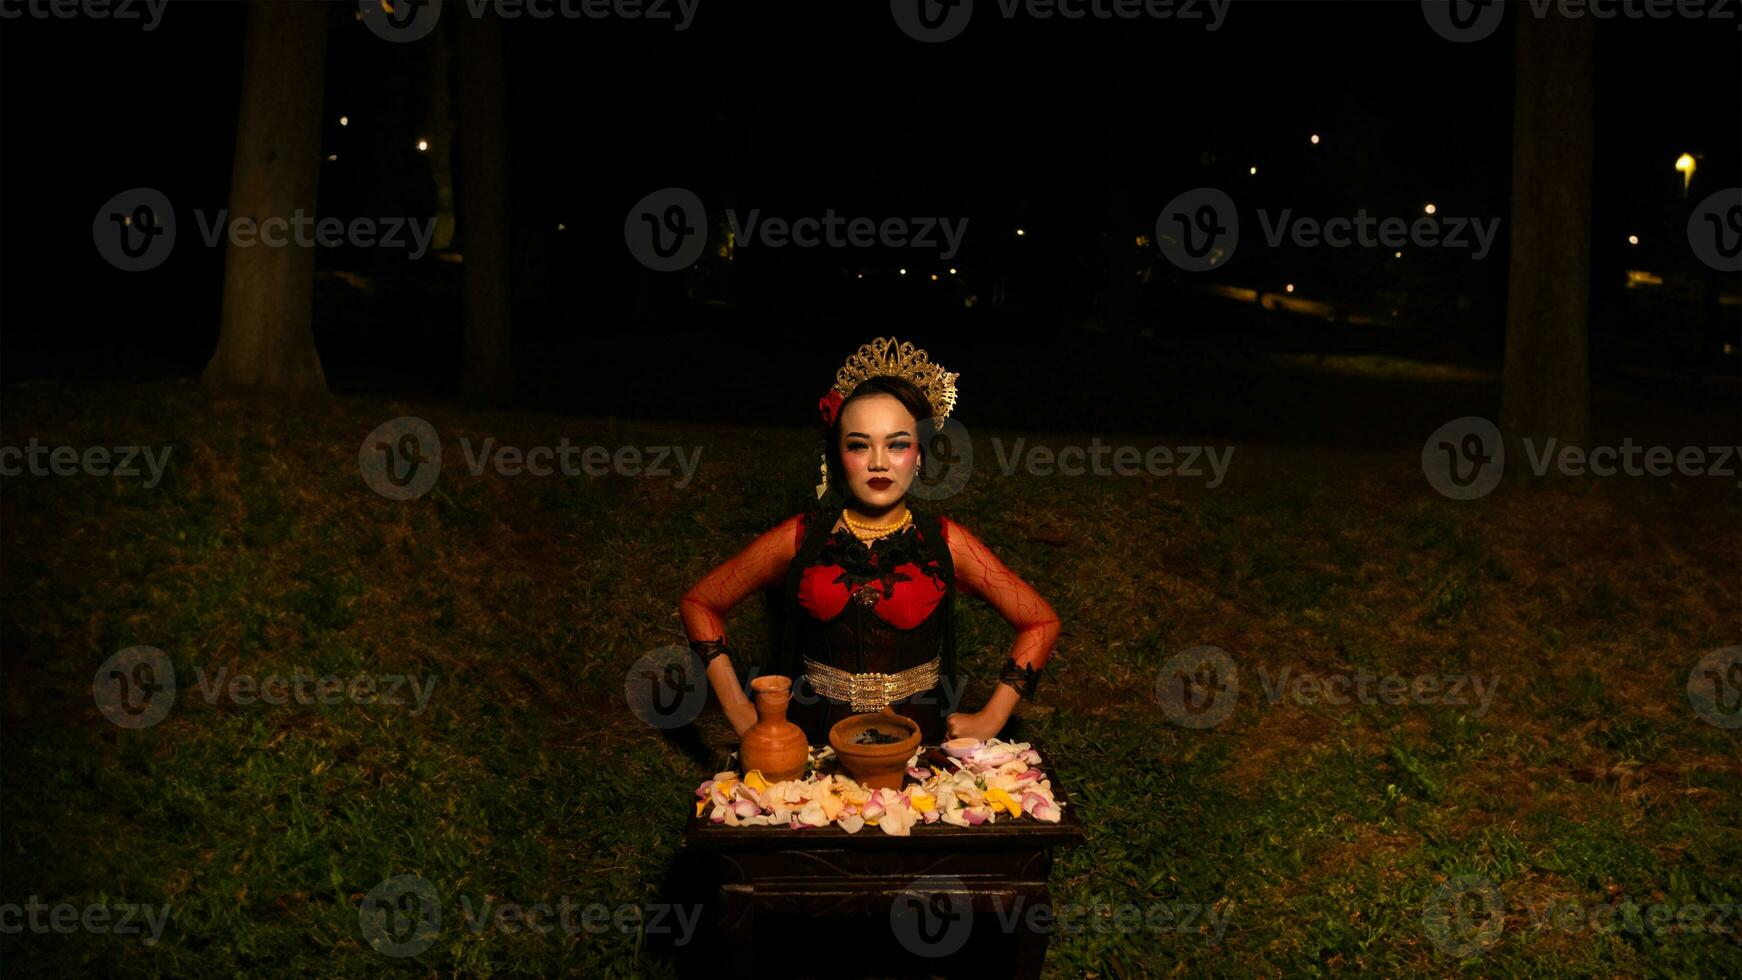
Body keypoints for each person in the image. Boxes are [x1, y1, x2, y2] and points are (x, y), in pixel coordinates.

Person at [679, 337, 1060, 745]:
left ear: (921, 455)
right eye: (859, 445)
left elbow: (1040, 621)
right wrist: (739, 710)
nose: (879, 462)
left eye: (897, 444)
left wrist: (991, 718)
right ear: (837, 456)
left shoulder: (946, 542)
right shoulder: (800, 537)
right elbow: (700, 603)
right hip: (813, 748)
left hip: (920, 748)